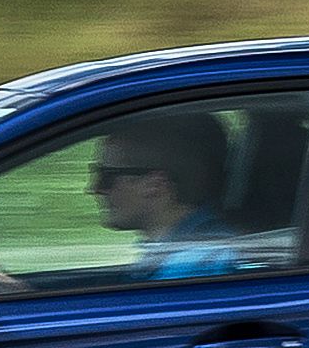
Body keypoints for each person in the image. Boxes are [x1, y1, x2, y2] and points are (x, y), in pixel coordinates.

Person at [89, 111, 240, 281]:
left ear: (154, 184)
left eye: (106, 177)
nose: (94, 189)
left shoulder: (194, 266)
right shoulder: (172, 252)